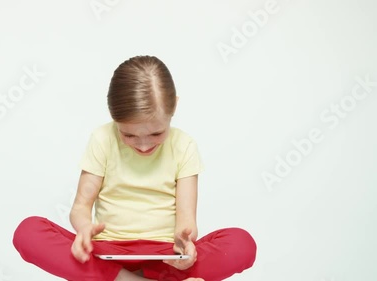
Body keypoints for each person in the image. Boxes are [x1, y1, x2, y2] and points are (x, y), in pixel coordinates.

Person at [13, 55, 256, 281]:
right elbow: (80, 207)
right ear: (113, 117)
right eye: (128, 134)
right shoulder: (102, 139)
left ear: (175, 108)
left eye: (156, 133)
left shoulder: (184, 145)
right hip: (105, 252)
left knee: (241, 244)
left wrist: (185, 247)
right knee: (29, 232)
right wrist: (84, 229)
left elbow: (186, 220)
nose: (143, 144)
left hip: (164, 256)